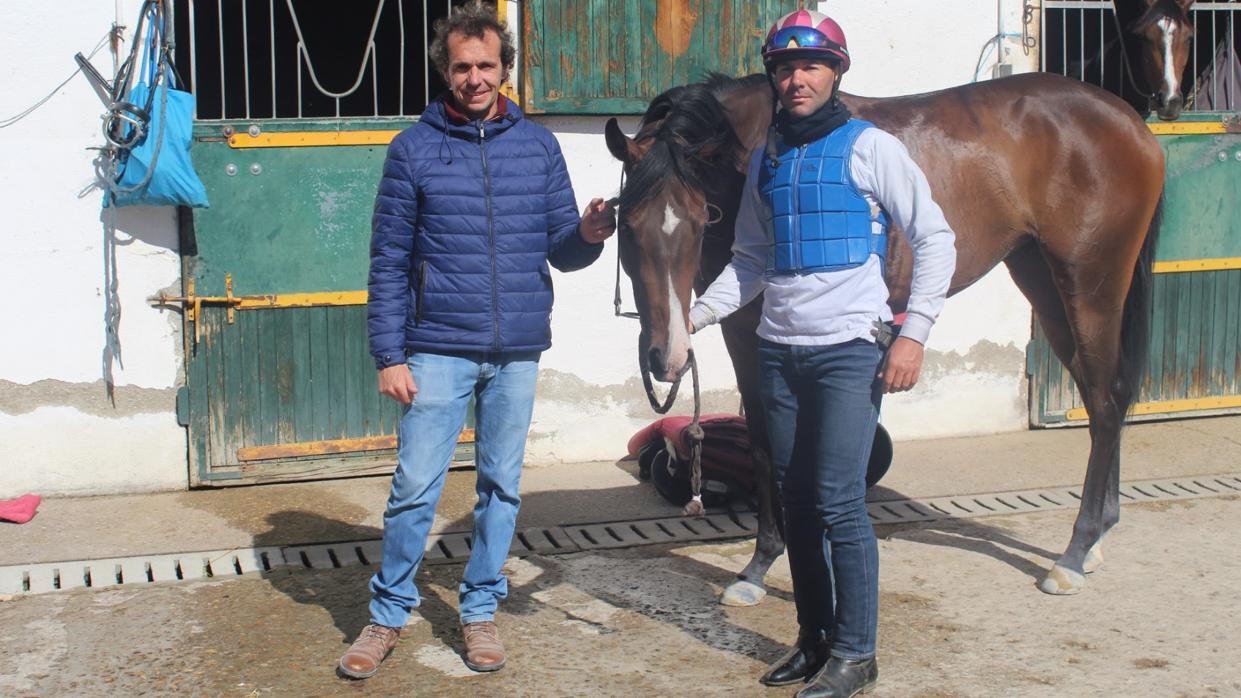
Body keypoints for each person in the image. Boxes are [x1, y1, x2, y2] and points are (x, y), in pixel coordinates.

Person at [338, 0, 616, 680]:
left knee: (501, 487)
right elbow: (387, 260)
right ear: (445, 71)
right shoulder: (413, 149)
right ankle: (387, 615)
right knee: (414, 490)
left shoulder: (538, 145)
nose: (474, 77)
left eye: (486, 64)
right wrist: (389, 354)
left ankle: (480, 609)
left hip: (517, 347)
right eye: (461, 67)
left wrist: (586, 234)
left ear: (504, 67)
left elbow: (561, 250)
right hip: (436, 346)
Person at [688, 9, 956, 698]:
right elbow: (749, 257)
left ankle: (856, 654)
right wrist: (695, 315)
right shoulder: (768, 159)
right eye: (783, 66)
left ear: (836, 71)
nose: (795, 77)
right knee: (792, 499)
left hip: (846, 355)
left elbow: (934, 239)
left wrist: (913, 331)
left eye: (809, 64)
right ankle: (813, 641)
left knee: (837, 503)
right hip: (778, 354)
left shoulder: (872, 148)